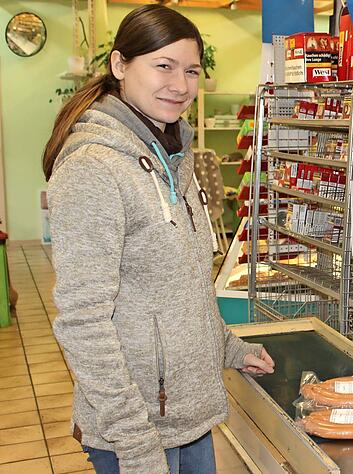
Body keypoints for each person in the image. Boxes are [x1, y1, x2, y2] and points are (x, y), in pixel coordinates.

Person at [43, 5, 274, 473]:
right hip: (137, 434)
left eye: (190, 71)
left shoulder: (174, 157)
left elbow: (182, 289)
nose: (181, 86)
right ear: (120, 65)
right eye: (162, 66)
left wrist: (229, 347)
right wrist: (135, 443)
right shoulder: (94, 168)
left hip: (189, 419)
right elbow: (83, 323)